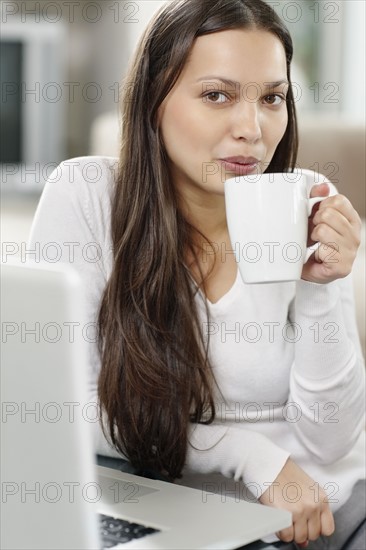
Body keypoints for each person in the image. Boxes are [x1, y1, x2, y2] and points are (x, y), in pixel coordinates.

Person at [28, 0, 365, 548]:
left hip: (329, 513)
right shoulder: (88, 195)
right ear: (154, 100)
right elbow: (59, 406)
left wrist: (321, 286)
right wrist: (247, 457)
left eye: (272, 98)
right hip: (185, 520)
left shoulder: (303, 203)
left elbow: (329, 443)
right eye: (217, 95)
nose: (251, 129)